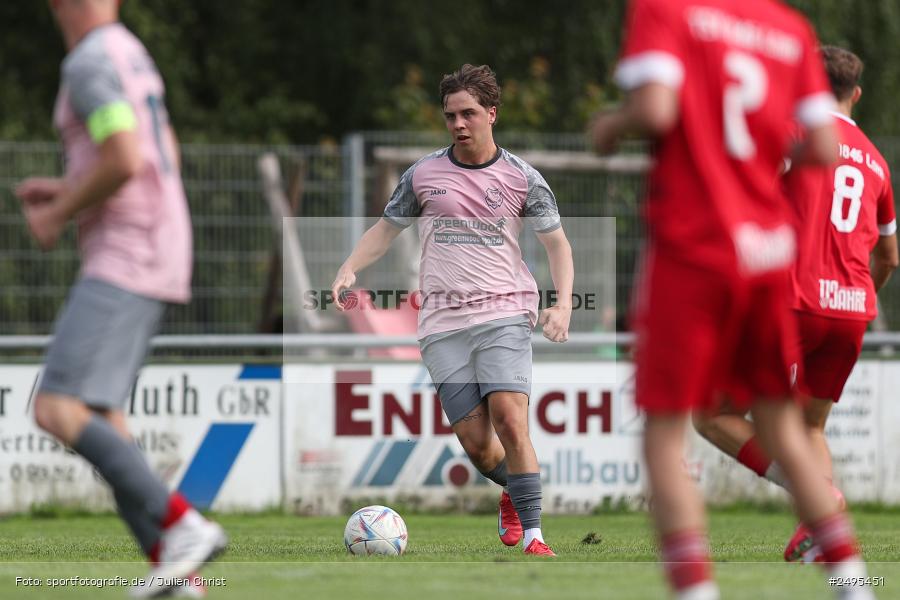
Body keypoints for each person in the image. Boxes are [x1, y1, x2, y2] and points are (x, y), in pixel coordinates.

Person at [591, 2, 874, 599]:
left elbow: (658, 108)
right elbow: (822, 147)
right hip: (769, 258)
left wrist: (612, 126)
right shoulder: (789, 29)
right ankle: (853, 585)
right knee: (785, 424)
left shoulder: (665, 11)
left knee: (665, 434)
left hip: (695, 247)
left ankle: (697, 592)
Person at [15, 1, 226, 597]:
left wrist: (60, 209)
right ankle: (176, 572)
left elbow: (126, 159)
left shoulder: (87, 62)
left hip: (127, 251)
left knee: (56, 408)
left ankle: (183, 525)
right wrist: (68, 187)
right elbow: (160, 156)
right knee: (103, 415)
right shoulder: (130, 51)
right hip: (156, 238)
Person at [331, 64, 573, 557]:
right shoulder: (423, 174)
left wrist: (563, 302)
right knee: (480, 447)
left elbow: (558, 245)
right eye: (450, 116)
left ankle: (535, 537)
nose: (459, 124)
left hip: (504, 313)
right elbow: (385, 229)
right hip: (442, 324)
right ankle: (511, 489)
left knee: (510, 418)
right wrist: (349, 268)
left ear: (492, 114)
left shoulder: (522, 178)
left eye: (468, 114)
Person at [692, 45, 898, 564]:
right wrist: (859, 296)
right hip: (852, 310)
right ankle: (822, 538)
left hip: (792, 302)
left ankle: (817, 499)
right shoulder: (876, 160)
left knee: (712, 413)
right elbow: (891, 255)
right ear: (856, 93)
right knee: (809, 427)